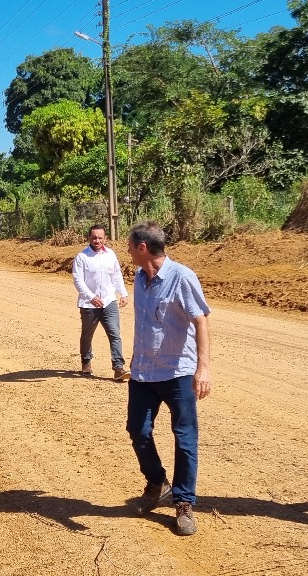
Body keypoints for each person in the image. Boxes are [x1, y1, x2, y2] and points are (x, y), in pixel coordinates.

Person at [124, 222, 211, 536]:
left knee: (185, 438)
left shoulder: (182, 277)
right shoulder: (139, 277)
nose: (128, 251)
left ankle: (184, 502)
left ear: (143, 248)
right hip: (143, 372)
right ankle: (158, 482)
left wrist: (203, 368)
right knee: (138, 430)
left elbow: (201, 321)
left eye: (130, 246)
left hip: (178, 373)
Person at [72, 224, 132, 382]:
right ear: (89, 238)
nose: (97, 240)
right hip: (89, 304)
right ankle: (86, 361)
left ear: (105, 238)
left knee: (115, 334)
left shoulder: (110, 255)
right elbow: (78, 280)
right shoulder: (82, 257)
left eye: (100, 238)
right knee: (87, 335)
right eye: (94, 238)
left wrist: (123, 293)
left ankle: (118, 368)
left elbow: (117, 275)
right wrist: (91, 296)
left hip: (108, 301)